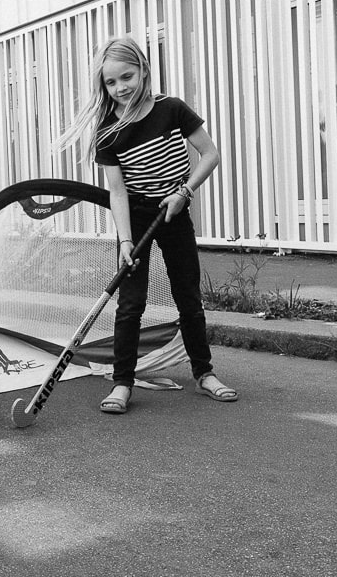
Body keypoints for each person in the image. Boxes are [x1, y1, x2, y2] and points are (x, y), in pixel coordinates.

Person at [58, 36, 237, 414]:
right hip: (136, 219)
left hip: (173, 211)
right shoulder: (108, 130)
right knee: (130, 303)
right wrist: (125, 241)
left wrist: (184, 192)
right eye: (111, 82)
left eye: (127, 76)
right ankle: (122, 382)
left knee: (187, 296)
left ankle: (205, 374)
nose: (121, 87)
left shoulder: (172, 109)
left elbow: (210, 154)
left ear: (143, 70)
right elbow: (117, 192)